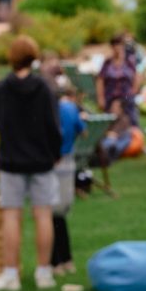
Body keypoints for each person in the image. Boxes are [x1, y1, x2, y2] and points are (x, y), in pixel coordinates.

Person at [0, 35, 63, 291]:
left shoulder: (0, 87)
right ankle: (43, 272)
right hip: (40, 158)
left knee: (12, 215)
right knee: (43, 214)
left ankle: (10, 273)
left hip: (12, 158)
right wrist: (55, 151)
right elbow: (53, 124)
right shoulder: (44, 87)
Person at [52, 85, 85, 275]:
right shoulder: (71, 109)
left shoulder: (55, 110)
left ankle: (55, 263)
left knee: (51, 215)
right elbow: (84, 131)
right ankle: (66, 261)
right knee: (60, 215)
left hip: (52, 164)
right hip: (68, 163)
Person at [96, 34, 138, 124]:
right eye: (115, 45)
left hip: (126, 98)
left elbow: (136, 78)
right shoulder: (107, 63)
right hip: (110, 97)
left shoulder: (129, 62)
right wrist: (100, 98)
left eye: (119, 45)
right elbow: (100, 80)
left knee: (131, 122)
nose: (117, 48)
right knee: (112, 122)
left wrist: (132, 92)